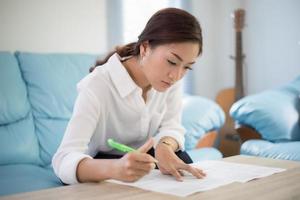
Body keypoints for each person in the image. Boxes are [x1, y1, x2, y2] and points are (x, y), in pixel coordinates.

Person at [52, 7, 206, 184]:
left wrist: (165, 145)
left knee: (184, 172)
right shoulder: (97, 85)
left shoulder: (169, 80)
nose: (177, 76)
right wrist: (115, 168)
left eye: (187, 67)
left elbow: (172, 126)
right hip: (102, 163)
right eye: (172, 61)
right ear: (145, 48)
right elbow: (63, 159)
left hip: (146, 157)